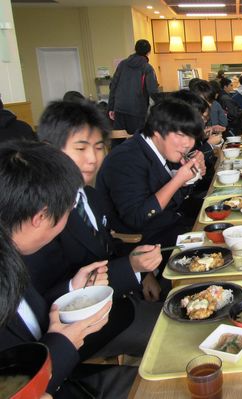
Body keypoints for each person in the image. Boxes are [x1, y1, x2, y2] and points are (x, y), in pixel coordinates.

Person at [28, 102, 164, 363]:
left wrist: (142, 271)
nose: (92, 159)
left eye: (99, 147)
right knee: (177, 332)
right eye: (80, 148)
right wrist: (130, 268)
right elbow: (44, 300)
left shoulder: (88, 195)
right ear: (49, 150)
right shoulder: (38, 216)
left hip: (118, 300)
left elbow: (106, 246)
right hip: (80, 330)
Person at [0, 140, 137, 398]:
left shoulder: (12, 251)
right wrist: (62, 345)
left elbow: (30, 316)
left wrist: (73, 288)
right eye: (67, 210)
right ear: (40, 217)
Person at [96, 98, 207, 250]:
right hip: (146, 242)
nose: (188, 143)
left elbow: (176, 199)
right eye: (181, 135)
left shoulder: (166, 150)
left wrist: (191, 177)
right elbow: (136, 218)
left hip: (171, 222)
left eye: (192, 136)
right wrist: (178, 180)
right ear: (157, 129)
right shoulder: (124, 159)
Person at [108, 39, 159, 135]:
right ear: (149, 52)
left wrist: (111, 107)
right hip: (137, 110)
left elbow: (113, 86)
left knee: (119, 139)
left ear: (135, 49)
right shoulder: (147, 68)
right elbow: (153, 91)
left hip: (119, 108)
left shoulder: (122, 64)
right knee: (137, 140)